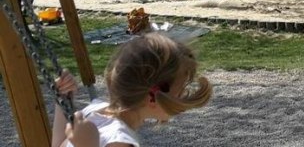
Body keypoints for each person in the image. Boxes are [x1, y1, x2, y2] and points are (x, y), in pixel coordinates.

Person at [52, 33, 213, 147]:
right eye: (180, 91)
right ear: (152, 97)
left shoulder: (94, 114)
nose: (183, 96)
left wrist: (62, 100)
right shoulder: (119, 140)